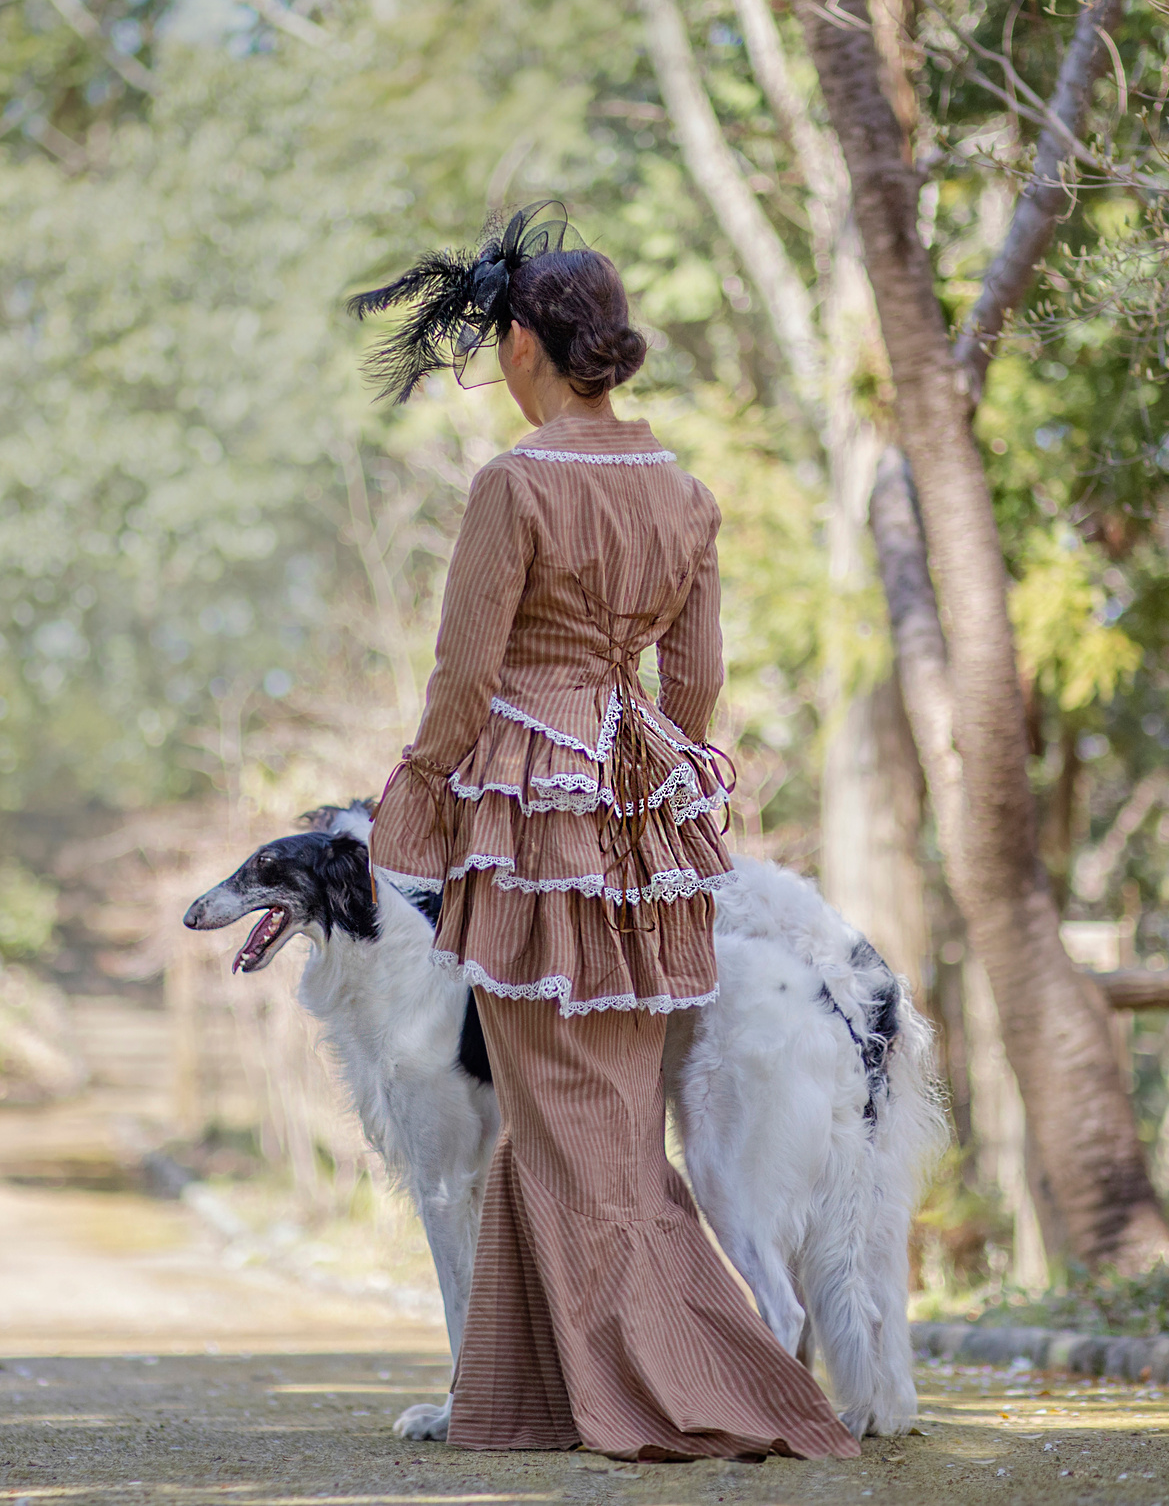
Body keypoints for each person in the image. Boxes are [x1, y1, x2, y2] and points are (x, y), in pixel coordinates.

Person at [353, 207, 860, 1462]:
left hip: (532, 813)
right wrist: (636, 763)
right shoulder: (684, 494)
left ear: (525, 345)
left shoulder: (514, 485)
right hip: (643, 820)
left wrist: (415, 796)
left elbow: (464, 679)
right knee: (602, 1114)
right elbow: (694, 687)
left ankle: (683, 1383)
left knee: (571, 1119)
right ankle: (533, 1398)